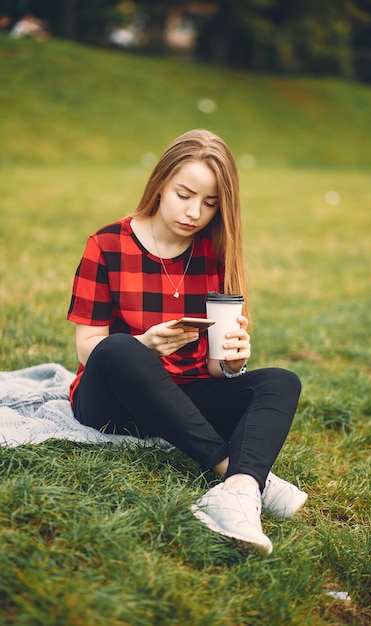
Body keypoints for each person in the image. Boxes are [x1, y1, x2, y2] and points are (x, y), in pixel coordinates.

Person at [67, 129, 307, 554]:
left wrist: (233, 362)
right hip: (112, 403)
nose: (194, 212)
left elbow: (216, 368)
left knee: (281, 382)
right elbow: (88, 344)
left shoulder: (216, 254)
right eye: (184, 194)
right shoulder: (107, 244)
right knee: (119, 348)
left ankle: (236, 491)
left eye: (211, 203)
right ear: (160, 183)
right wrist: (144, 345)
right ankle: (239, 475)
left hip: (187, 397)